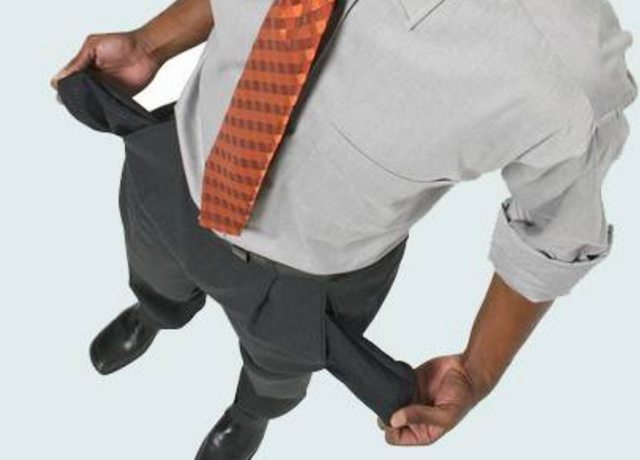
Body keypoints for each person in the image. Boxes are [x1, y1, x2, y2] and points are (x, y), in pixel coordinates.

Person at [50, 0, 637, 457]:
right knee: (154, 273)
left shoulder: (570, 71)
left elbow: (553, 236)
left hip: (308, 280)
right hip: (179, 169)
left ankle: (251, 414)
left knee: (276, 373)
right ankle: (157, 312)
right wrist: (151, 42)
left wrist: (476, 372)